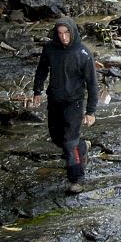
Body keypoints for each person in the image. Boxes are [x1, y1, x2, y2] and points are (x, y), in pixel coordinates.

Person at [32, 17, 97, 194]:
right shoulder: (50, 48)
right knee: (57, 138)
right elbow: (42, 69)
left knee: (69, 141)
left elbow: (92, 84)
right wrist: (37, 91)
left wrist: (90, 111)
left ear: (73, 32)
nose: (64, 37)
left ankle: (77, 179)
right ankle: (82, 147)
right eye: (60, 33)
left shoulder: (83, 53)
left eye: (67, 33)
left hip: (74, 102)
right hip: (55, 99)